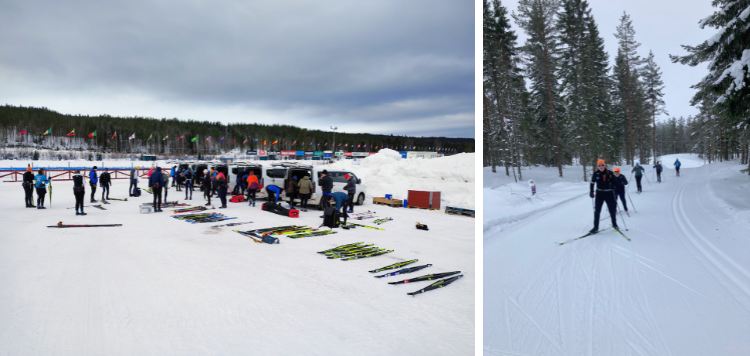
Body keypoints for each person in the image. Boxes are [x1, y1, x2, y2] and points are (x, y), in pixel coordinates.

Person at [589, 159, 618, 233]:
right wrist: (591, 191)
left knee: (612, 210)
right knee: (597, 211)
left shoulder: (610, 173)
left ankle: (614, 224)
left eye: (602, 165)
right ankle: (595, 227)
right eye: (599, 165)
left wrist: (612, 185)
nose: (601, 167)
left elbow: (615, 183)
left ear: (604, 165)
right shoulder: (596, 174)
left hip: (609, 194)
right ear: (598, 166)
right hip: (599, 194)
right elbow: (592, 183)